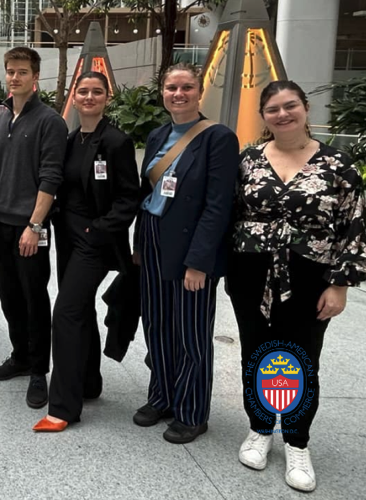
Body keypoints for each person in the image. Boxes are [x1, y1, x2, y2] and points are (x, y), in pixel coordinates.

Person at [229, 80, 366, 492]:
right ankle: (259, 428)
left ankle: (296, 440)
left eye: (290, 106)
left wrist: (340, 285)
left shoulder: (337, 164)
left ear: (305, 108)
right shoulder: (249, 159)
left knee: (301, 357)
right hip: (251, 271)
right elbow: (229, 212)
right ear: (264, 116)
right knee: (256, 352)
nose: (282, 114)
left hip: (310, 276)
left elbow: (354, 225)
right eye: (273, 109)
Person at [132, 63, 239, 444]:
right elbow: (148, 194)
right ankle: (161, 396)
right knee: (157, 322)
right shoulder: (158, 134)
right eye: (171, 87)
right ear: (162, 92)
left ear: (199, 92)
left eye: (187, 87)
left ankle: (192, 411)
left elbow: (218, 206)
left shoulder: (218, 138)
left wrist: (199, 262)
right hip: (154, 236)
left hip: (191, 244)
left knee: (191, 331)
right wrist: (139, 245)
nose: (178, 94)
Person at [33, 71, 141, 432]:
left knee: (65, 313)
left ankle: (63, 407)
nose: (89, 97)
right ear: (74, 98)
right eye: (83, 91)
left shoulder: (116, 141)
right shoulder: (70, 139)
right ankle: (89, 382)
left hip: (94, 241)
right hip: (67, 237)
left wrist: (98, 230)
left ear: (107, 98)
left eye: (97, 91)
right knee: (79, 309)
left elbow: (128, 198)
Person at [0, 47, 67, 410]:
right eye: (10, 71)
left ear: (35, 77)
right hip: (0, 223)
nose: (14, 77)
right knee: (9, 297)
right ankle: (19, 356)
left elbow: (51, 177)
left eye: (22, 72)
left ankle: (38, 370)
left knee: (34, 299)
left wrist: (35, 225)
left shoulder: (50, 122)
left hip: (30, 228)